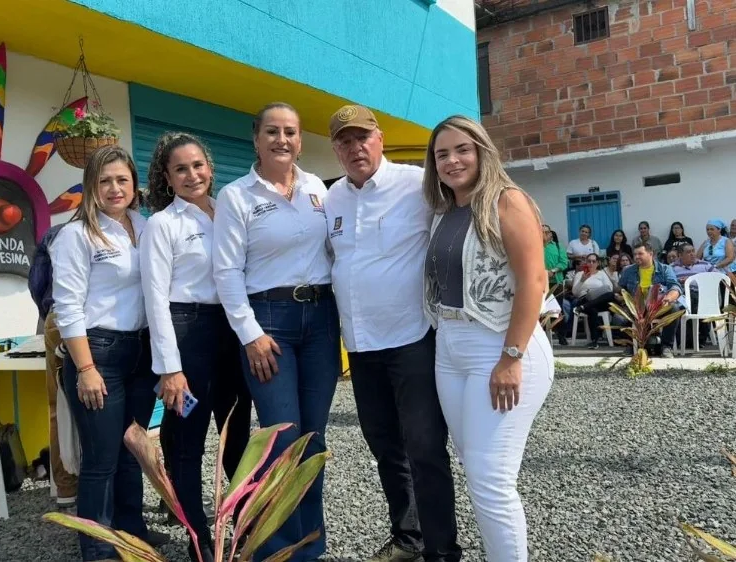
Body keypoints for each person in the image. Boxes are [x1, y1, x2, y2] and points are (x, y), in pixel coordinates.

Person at [324, 105, 460, 562]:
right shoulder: (332, 199)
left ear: (379, 139)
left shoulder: (416, 185)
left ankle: (442, 549)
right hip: (361, 347)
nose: (355, 147)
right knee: (385, 447)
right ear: (335, 150)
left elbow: (464, 216)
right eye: (344, 140)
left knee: (424, 446)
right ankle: (408, 537)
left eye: (363, 137)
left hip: (412, 340)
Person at [212, 103, 340, 562]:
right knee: (282, 438)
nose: (281, 139)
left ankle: (311, 544)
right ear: (256, 137)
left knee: (314, 439)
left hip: (322, 321)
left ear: (301, 140)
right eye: (272, 131)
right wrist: (249, 334)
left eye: (290, 132)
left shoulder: (320, 191)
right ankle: (280, 550)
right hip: (270, 325)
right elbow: (226, 272)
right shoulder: (236, 196)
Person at [422, 115, 553, 562]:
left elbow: (534, 279)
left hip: (499, 346)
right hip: (451, 346)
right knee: (475, 467)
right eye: (442, 153)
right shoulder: (444, 211)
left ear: (481, 151)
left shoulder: (506, 200)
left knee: (490, 476)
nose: (452, 160)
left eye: (462, 149)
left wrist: (511, 356)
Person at [140, 132, 252, 562]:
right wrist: (170, 368)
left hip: (230, 333)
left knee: (236, 436)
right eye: (180, 169)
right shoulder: (163, 225)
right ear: (167, 178)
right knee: (187, 441)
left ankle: (240, 523)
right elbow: (155, 299)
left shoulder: (229, 212)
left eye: (198, 165)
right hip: (187, 338)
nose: (192, 175)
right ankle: (197, 538)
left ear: (210, 167)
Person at [50, 145, 166, 561]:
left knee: (133, 448)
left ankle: (131, 532)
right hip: (97, 353)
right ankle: (96, 548)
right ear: (90, 187)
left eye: (122, 179)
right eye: (104, 181)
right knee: (100, 460)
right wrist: (85, 368)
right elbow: (67, 307)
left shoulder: (146, 226)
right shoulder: (76, 235)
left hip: (141, 352)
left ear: (135, 185)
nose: (115, 188)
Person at [28, 221, 78, 509]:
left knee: (59, 406)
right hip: (77, 320)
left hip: (57, 318)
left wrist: (48, 310)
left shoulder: (58, 232)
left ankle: (66, 488)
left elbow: (37, 283)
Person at [613, 241, 685, 358]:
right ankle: (631, 345)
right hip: (636, 307)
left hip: (658, 306)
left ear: (651, 254)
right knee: (618, 318)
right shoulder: (628, 270)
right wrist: (620, 294)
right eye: (635, 254)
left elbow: (675, 287)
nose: (636, 257)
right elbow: (619, 288)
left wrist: (668, 298)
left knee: (674, 308)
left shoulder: (665, 269)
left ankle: (666, 346)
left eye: (640, 254)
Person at [570, 253, 614, 349]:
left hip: (598, 300)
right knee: (592, 309)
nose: (591, 263)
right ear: (586, 262)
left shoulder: (602, 274)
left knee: (610, 295)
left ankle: (582, 308)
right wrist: (582, 280)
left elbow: (609, 288)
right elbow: (575, 293)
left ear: (598, 263)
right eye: (589, 261)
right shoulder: (580, 274)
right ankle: (594, 341)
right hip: (584, 298)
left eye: (593, 261)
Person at [697, 218, 736, 283]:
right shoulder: (706, 242)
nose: (709, 231)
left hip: (725, 273)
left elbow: (730, 258)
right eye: (707, 229)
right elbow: (697, 258)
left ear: (719, 230)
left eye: (712, 229)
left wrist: (715, 266)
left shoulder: (726, 241)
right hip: (708, 273)